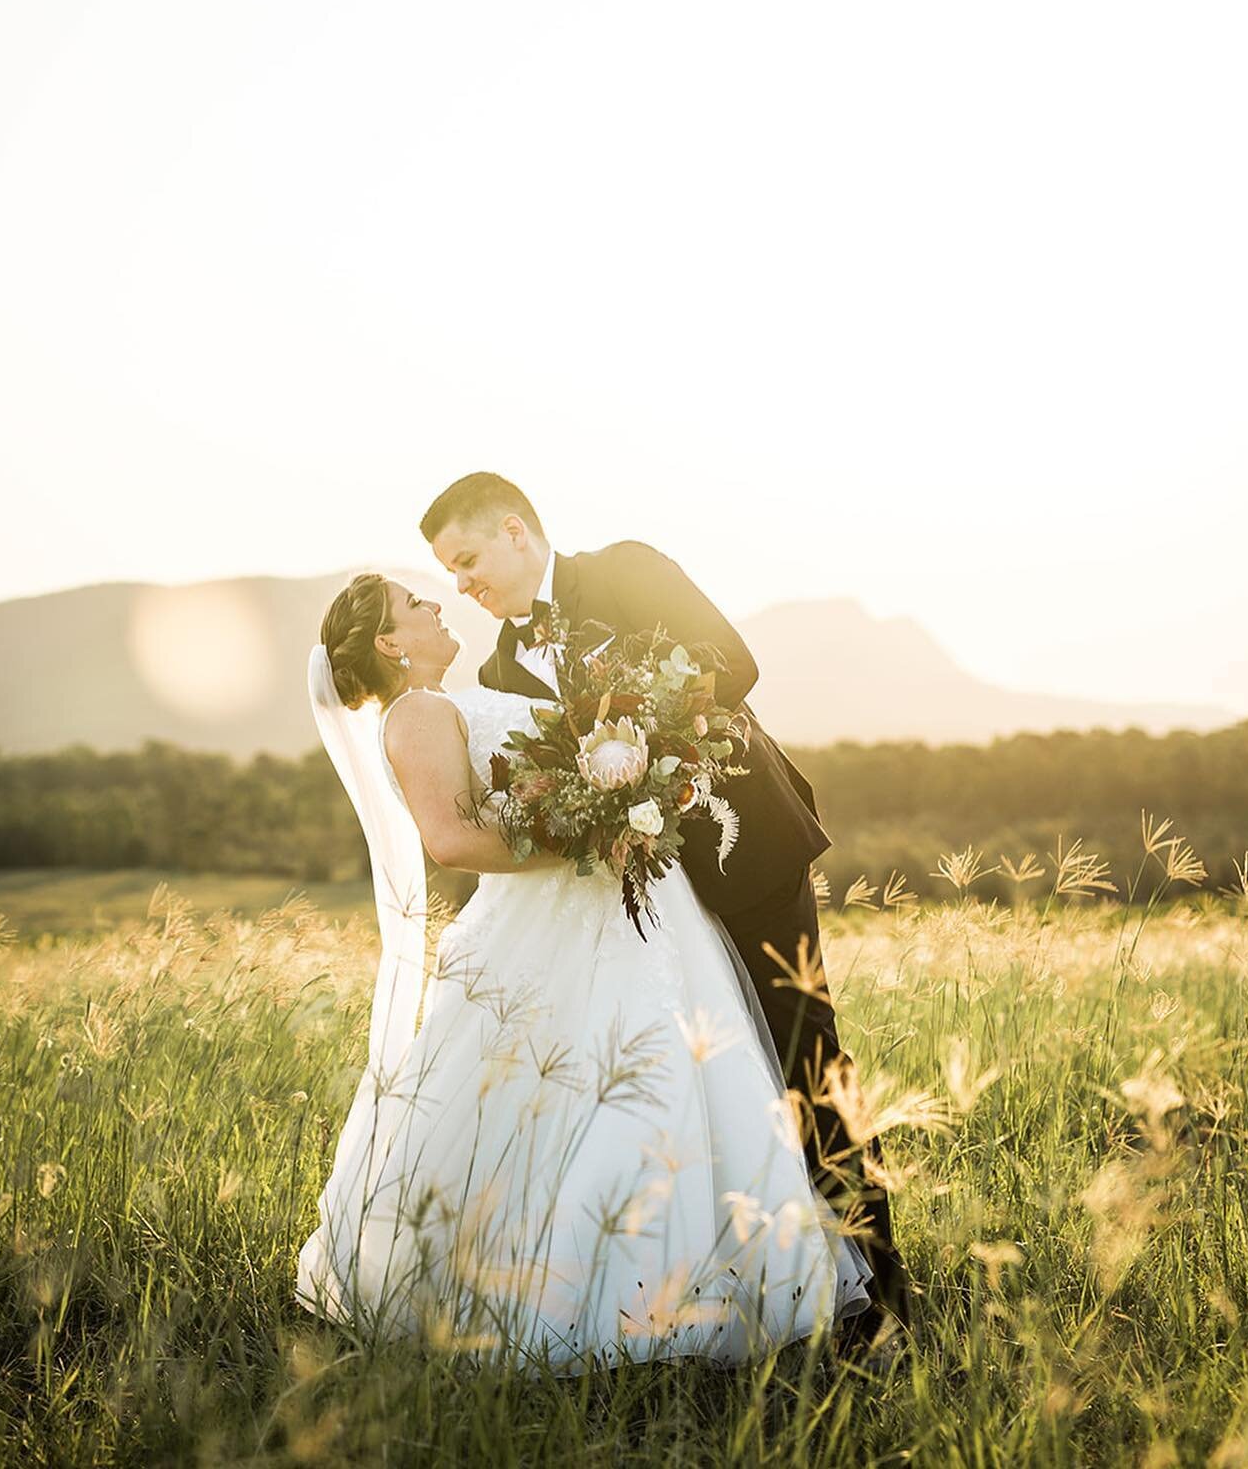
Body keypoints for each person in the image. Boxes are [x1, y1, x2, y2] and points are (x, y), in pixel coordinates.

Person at [296, 571, 873, 1370]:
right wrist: (592, 839)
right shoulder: (420, 712)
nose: (436, 606)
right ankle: (609, 1295)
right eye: (416, 605)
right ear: (391, 644)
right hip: (557, 918)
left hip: (613, 914)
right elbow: (454, 842)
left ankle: (669, 1277)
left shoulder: (449, 699)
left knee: (658, 1078)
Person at [421, 471, 910, 1353]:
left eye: (467, 560)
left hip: (744, 853)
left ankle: (881, 1288)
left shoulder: (629, 571)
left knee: (805, 1053)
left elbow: (734, 663)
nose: (463, 584)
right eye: (450, 574)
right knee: (712, 1085)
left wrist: (639, 737)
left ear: (514, 530)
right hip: (640, 906)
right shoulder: (497, 667)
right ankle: (748, 1276)